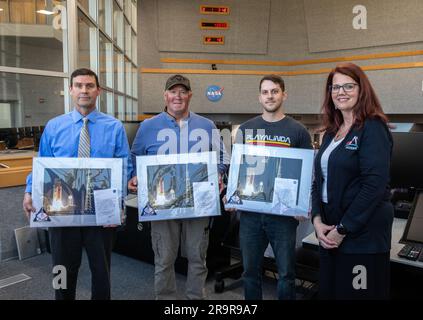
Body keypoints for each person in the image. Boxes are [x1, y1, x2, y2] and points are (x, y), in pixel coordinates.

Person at [22, 68, 132, 300]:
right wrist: (30, 190)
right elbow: (42, 164)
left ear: (98, 90)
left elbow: (124, 168)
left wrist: (117, 207)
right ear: (71, 90)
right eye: (79, 85)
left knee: (101, 271)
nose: (84, 90)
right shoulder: (54, 126)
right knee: (62, 270)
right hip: (61, 211)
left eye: (90, 85)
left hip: (100, 212)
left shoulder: (114, 127)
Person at [128, 74, 229, 300]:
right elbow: (134, 158)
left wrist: (219, 173)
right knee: (164, 258)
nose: (178, 96)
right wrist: (134, 176)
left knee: (197, 257)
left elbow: (223, 156)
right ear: (165, 95)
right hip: (162, 204)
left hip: (198, 203)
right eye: (173, 91)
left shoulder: (207, 125)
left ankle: (195, 299)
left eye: (183, 91)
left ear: (190, 95)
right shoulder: (148, 126)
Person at [311, 62, 394, 299]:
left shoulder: (372, 127)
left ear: (362, 90)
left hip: (361, 237)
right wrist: (316, 220)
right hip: (329, 233)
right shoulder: (331, 132)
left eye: (349, 86)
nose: (341, 92)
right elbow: (318, 181)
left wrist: (343, 229)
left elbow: (374, 186)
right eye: (335, 87)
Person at [233, 74, 313, 300]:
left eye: (275, 91)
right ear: (259, 97)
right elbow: (237, 169)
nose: (270, 96)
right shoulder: (246, 129)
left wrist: (302, 204)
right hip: (250, 214)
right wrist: (232, 196)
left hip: (283, 216)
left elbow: (306, 172)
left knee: (286, 273)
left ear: (284, 95)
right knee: (250, 272)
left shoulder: (298, 131)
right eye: (265, 92)